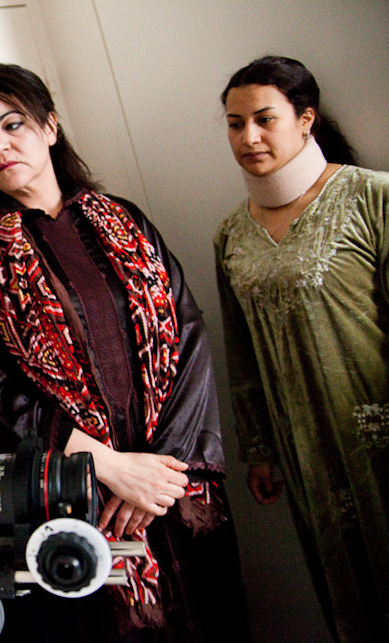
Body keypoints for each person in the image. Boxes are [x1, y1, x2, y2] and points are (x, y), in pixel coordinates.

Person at [0, 63, 248, 641]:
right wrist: (109, 467)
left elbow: (187, 334)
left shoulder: (123, 217)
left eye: (13, 125)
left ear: (50, 127)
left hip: (177, 484)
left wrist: (162, 473)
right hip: (81, 495)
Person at [215, 55, 389, 642]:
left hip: (378, 434)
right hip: (304, 449)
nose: (248, 137)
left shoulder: (372, 197)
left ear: (306, 119)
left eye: (264, 119)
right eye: (235, 124)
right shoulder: (230, 234)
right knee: (349, 597)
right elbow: (240, 350)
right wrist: (260, 448)